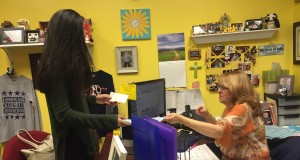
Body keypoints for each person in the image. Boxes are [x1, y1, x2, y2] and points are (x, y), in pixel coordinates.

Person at [34, 9, 129, 160]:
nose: (82, 36)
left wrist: (93, 99)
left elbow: (69, 99)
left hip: (82, 143)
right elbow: (64, 115)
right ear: (68, 36)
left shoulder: (64, 63)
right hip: (72, 149)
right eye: (79, 32)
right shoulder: (55, 67)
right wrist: (108, 120)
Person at [164, 71, 270, 159]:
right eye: (219, 87)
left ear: (236, 89)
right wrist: (207, 116)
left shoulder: (242, 108)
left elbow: (218, 131)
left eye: (224, 88)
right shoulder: (231, 106)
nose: (219, 91)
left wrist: (181, 119)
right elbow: (224, 128)